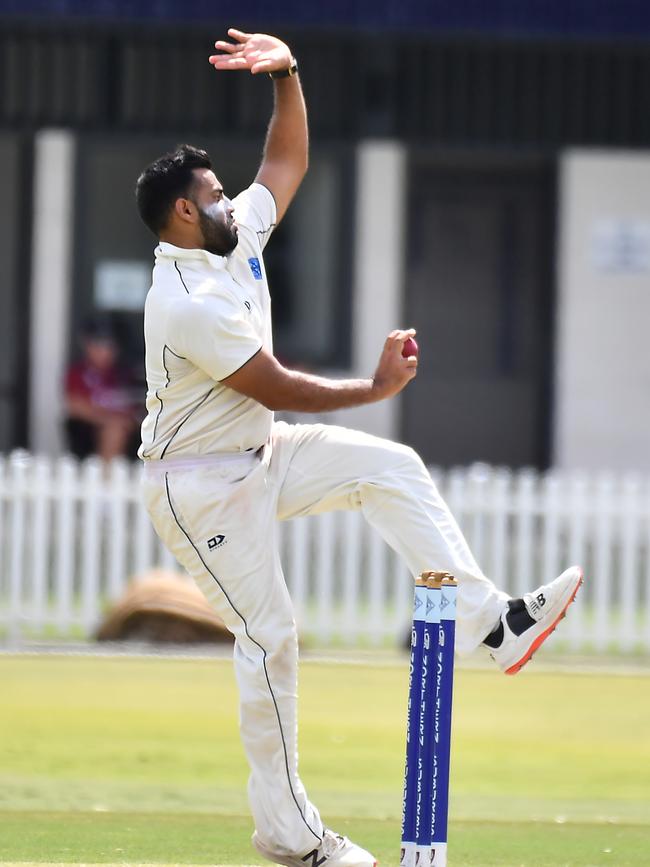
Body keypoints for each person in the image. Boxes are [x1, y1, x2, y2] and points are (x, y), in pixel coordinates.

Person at [135, 28, 583, 867]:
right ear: (187, 214)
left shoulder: (233, 243)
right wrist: (374, 391)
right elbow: (269, 381)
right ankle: (291, 836)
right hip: (196, 488)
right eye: (220, 195)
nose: (238, 201)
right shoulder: (184, 297)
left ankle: (497, 626)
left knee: (392, 468)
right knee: (270, 638)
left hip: (259, 451)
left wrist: (287, 74)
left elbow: (288, 163)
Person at [64, 316, 140, 461]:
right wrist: (109, 419)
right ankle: (106, 479)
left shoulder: (124, 374)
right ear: (87, 345)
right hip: (89, 433)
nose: (105, 352)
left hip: (131, 435)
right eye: (98, 345)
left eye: (110, 346)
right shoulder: (79, 373)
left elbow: (137, 408)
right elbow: (74, 406)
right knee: (114, 429)